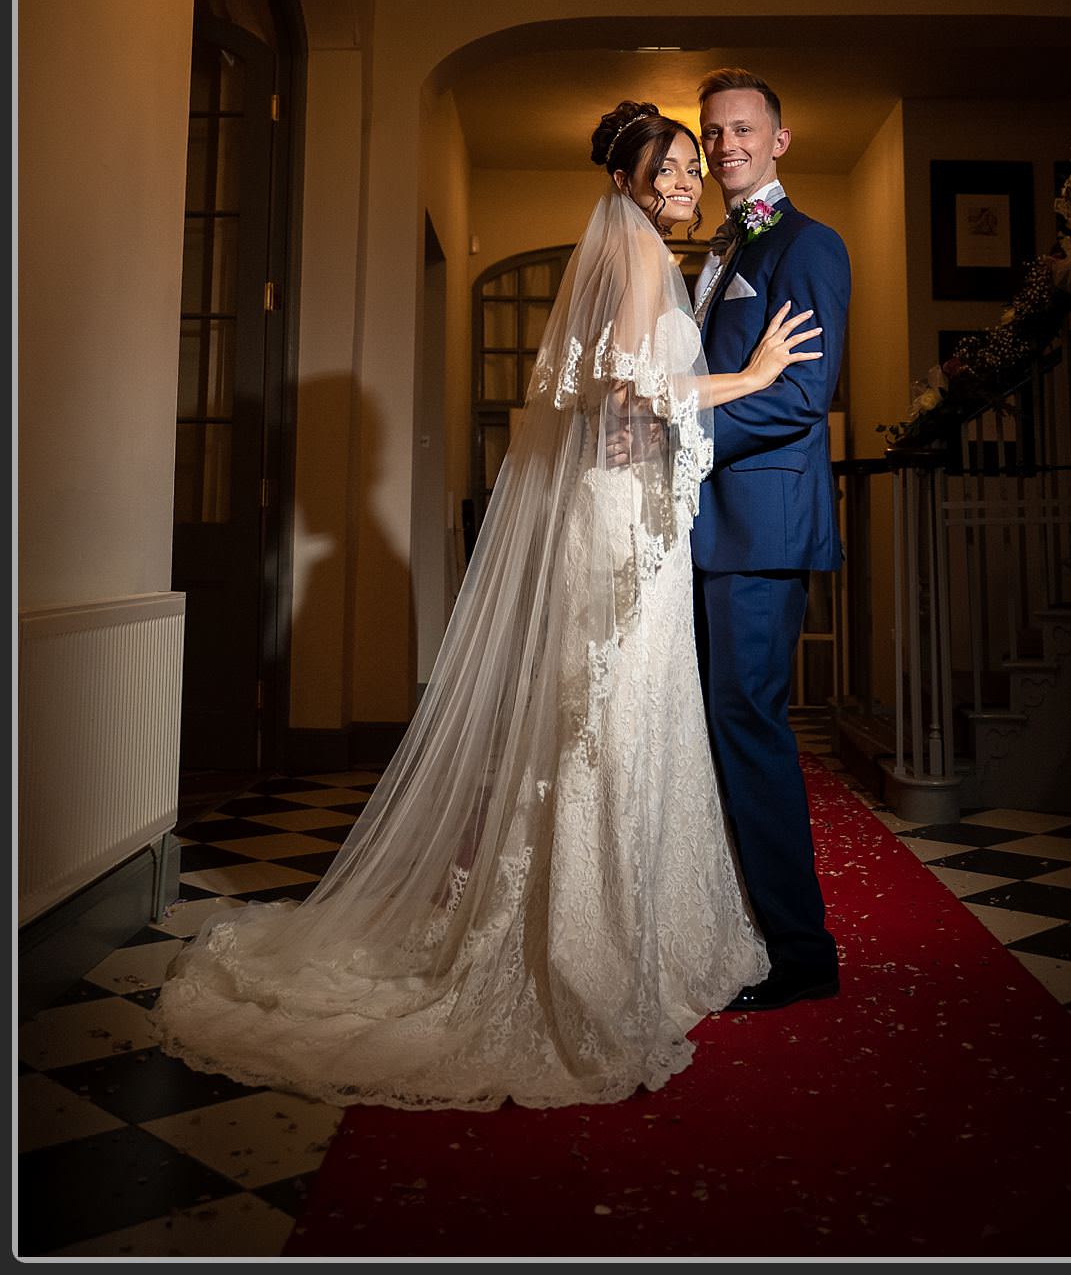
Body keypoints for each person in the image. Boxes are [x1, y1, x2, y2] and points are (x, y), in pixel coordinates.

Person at [153, 104, 820, 1110]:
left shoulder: (643, 255)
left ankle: (615, 925)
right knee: (609, 723)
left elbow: (615, 399)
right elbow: (634, 393)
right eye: (670, 167)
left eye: (694, 165)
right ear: (628, 185)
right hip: (624, 527)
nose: (688, 179)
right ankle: (587, 948)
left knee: (615, 723)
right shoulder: (640, 261)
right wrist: (752, 374)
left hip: (629, 512)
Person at [688, 68, 851, 1009]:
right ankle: (739, 926)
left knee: (746, 727)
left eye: (744, 130)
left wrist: (675, 440)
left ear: (779, 140)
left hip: (761, 530)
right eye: (714, 134)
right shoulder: (720, 252)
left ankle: (802, 954)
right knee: (715, 729)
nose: (727, 146)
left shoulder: (809, 245)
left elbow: (799, 395)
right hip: (709, 529)